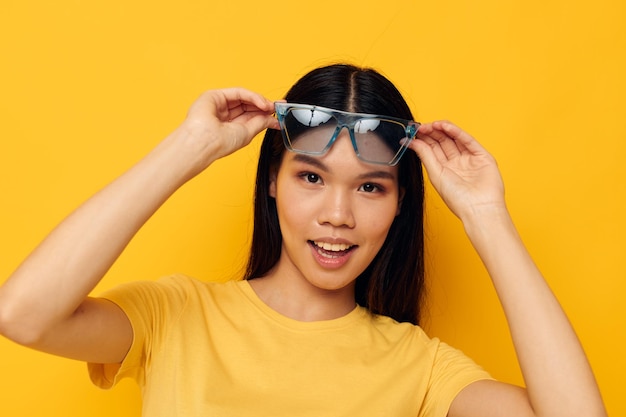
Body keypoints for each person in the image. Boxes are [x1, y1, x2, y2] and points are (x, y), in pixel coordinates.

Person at [0, 64, 606, 417]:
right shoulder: (177, 317)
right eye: (311, 177)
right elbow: (22, 315)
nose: (337, 213)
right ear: (272, 181)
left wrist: (485, 216)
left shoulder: (420, 366)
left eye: (371, 188)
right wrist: (188, 149)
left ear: (400, 206)